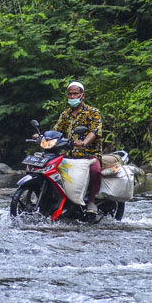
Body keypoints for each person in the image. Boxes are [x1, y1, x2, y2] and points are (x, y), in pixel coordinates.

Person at [52, 81, 103, 214]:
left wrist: (84, 142)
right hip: (69, 155)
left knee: (95, 171)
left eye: (75, 94)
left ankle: (91, 201)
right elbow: (57, 131)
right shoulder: (65, 114)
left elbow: (95, 131)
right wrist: (43, 137)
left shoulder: (93, 112)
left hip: (89, 155)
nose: (72, 97)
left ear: (82, 96)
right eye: (70, 94)